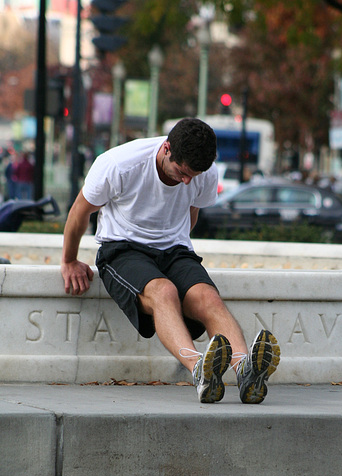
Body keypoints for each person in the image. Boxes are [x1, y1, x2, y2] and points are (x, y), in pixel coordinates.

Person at [61, 117, 280, 404]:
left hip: (174, 250)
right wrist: (69, 260)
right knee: (163, 291)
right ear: (166, 149)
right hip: (122, 248)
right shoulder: (119, 164)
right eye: (182, 172)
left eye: (193, 175)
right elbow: (79, 212)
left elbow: (191, 214)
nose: (187, 180)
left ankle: (246, 371)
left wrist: (178, 251)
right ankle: (200, 370)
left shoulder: (204, 173)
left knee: (208, 298)